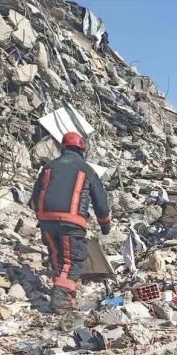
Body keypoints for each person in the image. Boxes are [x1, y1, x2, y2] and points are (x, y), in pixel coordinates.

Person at [30, 132, 110, 311]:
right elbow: (100, 201)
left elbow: (35, 196)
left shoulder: (49, 167)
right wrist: (105, 224)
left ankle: (61, 293)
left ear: (62, 148)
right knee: (72, 260)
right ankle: (61, 301)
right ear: (82, 149)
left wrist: (40, 216)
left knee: (57, 257)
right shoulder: (86, 169)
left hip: (46, 220)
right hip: (71, 222)